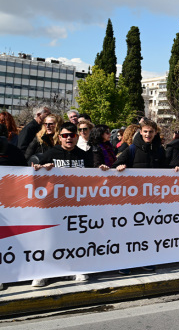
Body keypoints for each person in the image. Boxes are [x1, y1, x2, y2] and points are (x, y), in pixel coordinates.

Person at [32, 122, 100, 286]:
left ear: (76, 136)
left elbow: (93, 178)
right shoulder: (51, 153)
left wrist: (103, 170)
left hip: (78, 204)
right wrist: (38, 167)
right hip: (54, 205)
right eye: (65, 135)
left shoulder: (84, 155)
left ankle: (77, 269)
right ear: (60, 137)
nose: (68, 138)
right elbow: (33, 166)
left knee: (77, 239)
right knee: (50, 240)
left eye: (72, 135)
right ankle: (44, 272)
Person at [113, 119, 166, 274]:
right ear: (140, 132)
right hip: (132, 200)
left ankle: (145, 260)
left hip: (152, 199)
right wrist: (120, 167)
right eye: (145, 131)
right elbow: (115, 165)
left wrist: (175, 169)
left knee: (148, 231)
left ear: (155, 133)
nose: (148, 134)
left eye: (151, 132)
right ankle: (125, 262)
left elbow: (165, 171)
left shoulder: (160, 150)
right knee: (129, 231)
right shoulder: (132, 149)